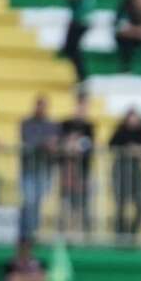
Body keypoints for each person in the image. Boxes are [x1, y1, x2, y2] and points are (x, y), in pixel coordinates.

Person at [109, 107, 141, 237]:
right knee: (120, 204)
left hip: (136, 172)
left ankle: (132, 232)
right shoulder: (121, 131)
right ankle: (120, 233)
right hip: (121, 171)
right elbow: (111, 144)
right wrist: (127, 149)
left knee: (140, 204)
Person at [19, 95, 60, 241]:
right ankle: (27, 232)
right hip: (29, 168)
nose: (41, 109)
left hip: (45, 168)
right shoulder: (26, 123)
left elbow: (56, 143)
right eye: (39, 105)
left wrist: (49, 144)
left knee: (38, 201)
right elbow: (29, 140)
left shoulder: (52, 125)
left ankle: (33, 230)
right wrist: (45, 143)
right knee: (29, 200)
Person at [53, 0, 97, 82]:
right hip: (78, 17)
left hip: (82, 18)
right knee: (70, 47)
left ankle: (83, 76)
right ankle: (80, 75)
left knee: (72, 47)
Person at [59, 95, 95, 234]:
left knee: (82, 203)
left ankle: (82, 232)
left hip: (83, 170)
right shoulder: (66, 124)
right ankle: (64, 231)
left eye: (84, 107)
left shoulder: (89, 126)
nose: (82, 110)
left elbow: (89, 145)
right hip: (67, 170)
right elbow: (61, 144)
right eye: (80, 106)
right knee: (65, 202)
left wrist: (76, 144)